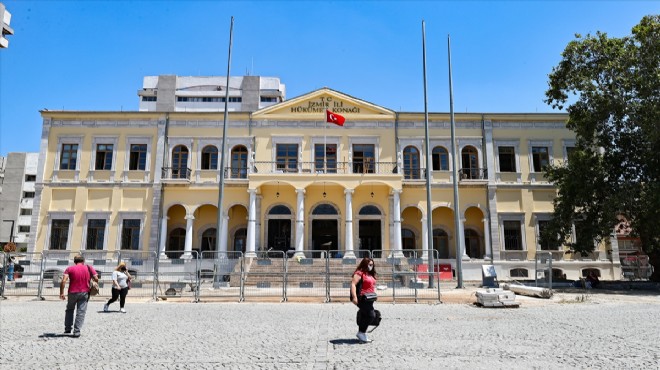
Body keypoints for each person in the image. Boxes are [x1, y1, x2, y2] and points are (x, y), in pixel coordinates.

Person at [59, 255, 98, 337]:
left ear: (74, 261)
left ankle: (68, 328)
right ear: (83, 261)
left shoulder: (69, 269)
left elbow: (63, 281)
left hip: (72, 292)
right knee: (81, 311)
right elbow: (96, 278)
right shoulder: (88, 267)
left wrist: (61, 293)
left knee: (69, 310)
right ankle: (76, 331)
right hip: (84, 292)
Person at [350, 257, 377, 343]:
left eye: (372, 265)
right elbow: (353, 284)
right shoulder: (359, 273)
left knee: (367, 315)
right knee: (371, 315)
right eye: (370, 265)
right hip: (362, 297)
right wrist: (354, 297)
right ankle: (361, 332)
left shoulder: (369, 273)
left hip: (370, 298)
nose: (371, 266)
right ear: (365, 264)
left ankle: (362, 333)